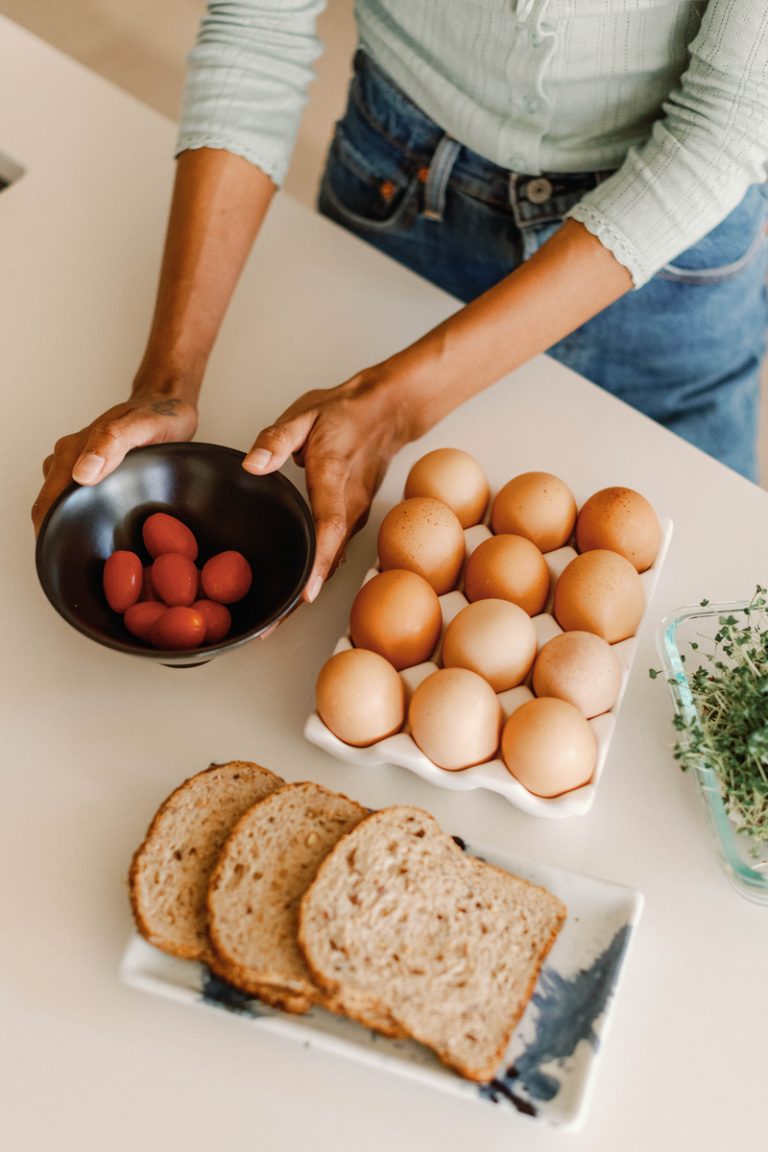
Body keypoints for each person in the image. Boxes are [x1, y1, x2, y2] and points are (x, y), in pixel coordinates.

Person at [33, 1, 768, 609]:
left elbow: (724, 126)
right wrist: (166, 381)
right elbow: (259, 23)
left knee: (700, 590)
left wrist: (399, 403)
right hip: (404, 184)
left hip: (671, 251)